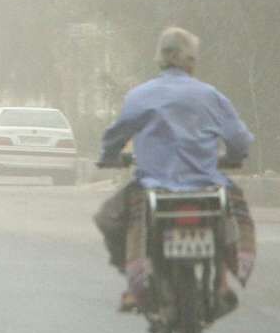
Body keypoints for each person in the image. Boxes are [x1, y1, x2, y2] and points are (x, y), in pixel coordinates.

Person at [94, 27, 256, 313]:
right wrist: (234, 156)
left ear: (160, 58)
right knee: (227, 216)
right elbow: (239, 139)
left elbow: (115, 135)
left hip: (153, 186)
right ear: (191, 61)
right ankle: (224, 282)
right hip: (206, 183)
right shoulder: (211, 96)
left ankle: (136, 281)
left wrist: (109, 156)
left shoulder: (141, 95)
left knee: (109, 218)